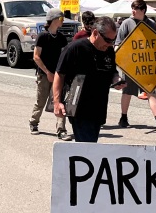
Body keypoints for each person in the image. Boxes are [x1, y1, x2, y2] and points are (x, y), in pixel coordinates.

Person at [52, 16, 123, 143]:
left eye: (113, 40)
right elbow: (59, 74)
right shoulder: (75, 48)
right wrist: (57, 102)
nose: (110, 44)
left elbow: (112, 71)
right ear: (95, 33)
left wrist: (116, 79)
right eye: (107, 40)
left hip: (99, 107)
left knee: (89, 146)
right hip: (79, 106)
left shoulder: (109, 51)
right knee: (87, 145)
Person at [114, 0, 156, 132]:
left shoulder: (150, 24)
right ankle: (123, 117)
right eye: (132, 9)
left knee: (151, 91)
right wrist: (119, 57)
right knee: (127, 91)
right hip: (130, 65)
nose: (133, 11)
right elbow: (118, 43)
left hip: (147, 65)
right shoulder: (127, 23)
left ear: (143, 11)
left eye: (135, 9)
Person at [30, 8, 70, 139]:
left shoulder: (61, 38)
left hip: (58, 75)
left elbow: (64, 57)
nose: (62, 21)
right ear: (54, 20)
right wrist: (47, 72)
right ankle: (34, 122)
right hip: (43, 74)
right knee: (40, 101)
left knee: (59, 101)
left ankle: (61, 130)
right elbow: (36, 56)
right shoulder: (42, 36)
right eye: (61, 19)